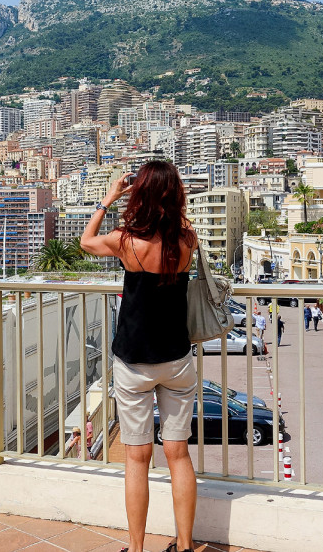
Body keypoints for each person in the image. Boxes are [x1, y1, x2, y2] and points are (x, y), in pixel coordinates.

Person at [81, 161, 198, 552]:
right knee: (178, 455)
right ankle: (184, 546)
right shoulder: (187, 240)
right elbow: (176, 225)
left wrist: (111, 197)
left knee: (136, 459)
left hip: (133, 360)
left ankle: (136, 547)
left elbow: (85, 241)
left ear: (140, 193)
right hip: (176, 358)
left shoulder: (125, 240)